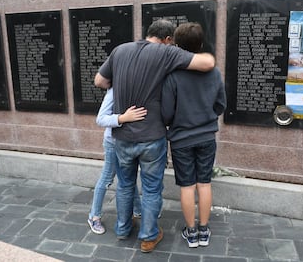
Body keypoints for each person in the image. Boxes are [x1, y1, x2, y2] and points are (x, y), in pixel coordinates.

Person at [94, 19, 215, 253]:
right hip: (152, 137)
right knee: (150, 188)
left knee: (125, 185)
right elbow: (208, 62)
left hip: (122, 137)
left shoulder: (120, 50)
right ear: (168, 40)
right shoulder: (165, 52)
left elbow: (100, 81)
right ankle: (148, 236)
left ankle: (122, 228)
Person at [161, 22, 226, 248]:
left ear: (177, 46)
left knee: (187, 186)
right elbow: (221, 105)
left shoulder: (173, 75)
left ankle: (191, 232)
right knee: (204, 183)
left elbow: (166, 113)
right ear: (201, 44)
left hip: (181, 139)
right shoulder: (214, 72)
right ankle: (204, 230)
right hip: (207, 136)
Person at [88, 87, 147, 234]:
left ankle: (138, 209)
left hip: (129, 142)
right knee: (107, 178)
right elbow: (100, 119)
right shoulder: (115, 90)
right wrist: (122, 118)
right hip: (113, 143)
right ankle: (94, 216)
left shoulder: (135, 87)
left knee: (127, 177)